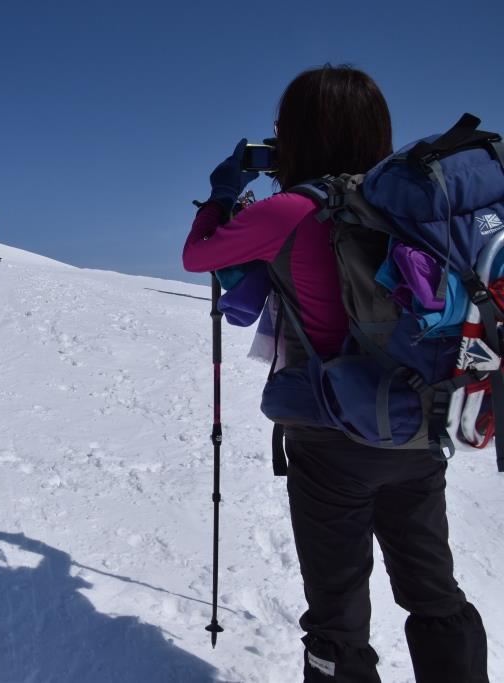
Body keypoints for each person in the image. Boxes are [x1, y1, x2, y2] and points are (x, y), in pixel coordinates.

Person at [182, 65, 488, 683]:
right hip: (421, 426)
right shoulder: (412, 204)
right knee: (434, 590)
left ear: (297, 135)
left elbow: (197, 257)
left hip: (330, 437)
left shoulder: (289, 210)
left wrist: (222, 194)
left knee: (337, 613)